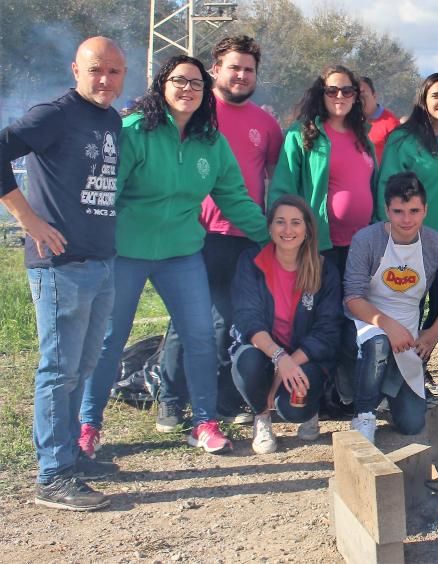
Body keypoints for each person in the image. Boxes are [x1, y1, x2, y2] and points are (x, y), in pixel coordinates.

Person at [79, 55, 270, 456]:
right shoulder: (134, 131)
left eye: (197, 84)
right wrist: (91, 247)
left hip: (181, 253)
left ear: (206, 93)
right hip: (126, 253)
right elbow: (105, 195)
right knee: (109, 340)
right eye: (180, 81)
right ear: (161, 86)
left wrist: (273, 239)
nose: (188, 90)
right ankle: (88, 425)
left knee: (201, 336)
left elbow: (235, 198)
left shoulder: (211, 142)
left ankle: (203, 422)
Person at [0, 37, 125, 511]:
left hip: (101, 260)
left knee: (82, 368)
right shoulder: (53, 114)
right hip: (59, 266)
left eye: (115, 72)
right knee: (57, 371)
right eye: (96, 70)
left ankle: (70, 453)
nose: (105, 80)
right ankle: (52, 475)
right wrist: (27, 219)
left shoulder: (111, 120)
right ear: (76, 69)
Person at [156, 35, 284, 432]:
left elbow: (274, 180)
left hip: (247, 238)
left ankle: (224, 399)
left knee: (235, 319)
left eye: (249, 69)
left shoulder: (266, 124)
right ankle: (171, 399)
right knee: (188, 318)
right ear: (216, 70)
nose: (242, 75)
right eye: (234, 67)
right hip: (198, 235)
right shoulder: (195, 111)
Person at [269, 65, 379, 409]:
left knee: (355, 321)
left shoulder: (363, 136)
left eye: (348, 91)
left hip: (360, 246)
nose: (341, 97)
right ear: (321, 93)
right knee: (317, 322)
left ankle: (346, 395)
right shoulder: (302, 136)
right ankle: (306, 398)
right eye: (333, 91)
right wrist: (289, 240)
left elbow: (370, 187)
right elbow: (283, 193)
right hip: (321, 247)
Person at [344, 172, 438, 442]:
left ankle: (386, 395)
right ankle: (364, 414)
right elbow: (353, 298)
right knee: (377, 342)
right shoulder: (366, 240)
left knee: (412, 424)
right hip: (366, 324)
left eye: (414, 211)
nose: (406, 219)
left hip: (409, 335)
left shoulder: (437, 244)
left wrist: (434, 332)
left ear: (425, 210)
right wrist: (388, 326)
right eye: (398, 211)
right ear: (386, 210)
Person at [229, 195, 344, 454]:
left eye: (296, 223)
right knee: (247, 362)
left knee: (292, 410)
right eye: (280, 222)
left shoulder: (325, 270)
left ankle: (310, 410)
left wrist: (286, 367)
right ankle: (261, 418)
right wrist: (280, 358)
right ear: (270, 228)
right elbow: (248, 319)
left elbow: (327, 331)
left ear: (307, 230)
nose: (288, 230)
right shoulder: (252, 262)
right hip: (264, 352)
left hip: (306, 357)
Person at [376, 73, 438, 345]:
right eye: (436, 95)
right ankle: (403, 373)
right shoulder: (402, 140)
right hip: (412, 240)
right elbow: (387, 187)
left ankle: (420, 361)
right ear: (423, 100)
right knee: (408, 308)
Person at [359, 76, 400, 163]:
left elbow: (398, 160)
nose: (359, 99)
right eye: (355, 95)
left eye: (362, 93)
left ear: (374, 95)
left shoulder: (391, 124)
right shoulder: (350, 121)